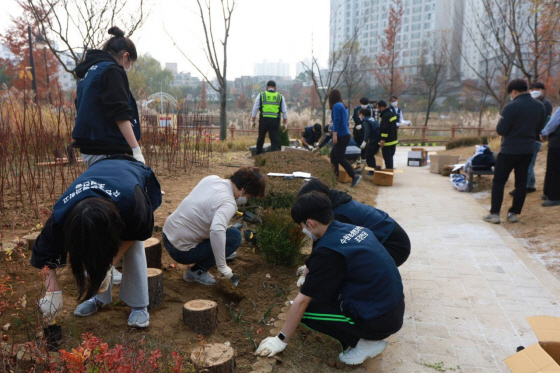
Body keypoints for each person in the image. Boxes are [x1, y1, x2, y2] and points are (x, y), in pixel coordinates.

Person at [255, 192, 404, 365]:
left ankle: (366, 342)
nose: (303, 230)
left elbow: (302, 301)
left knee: (307, 311)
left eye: (302, 225)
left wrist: (281, 339)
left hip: (380, 320)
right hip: (391, 307)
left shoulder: (329, 253)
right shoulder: (350, 228)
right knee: (324, 293)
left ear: (310, 223)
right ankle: (365, 332)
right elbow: (315, 260)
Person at [31, 156, 162, 328]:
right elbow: (43, 253)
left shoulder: (131, 203)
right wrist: (52, 291)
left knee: (134, 247)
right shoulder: (62, 214)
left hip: (129, 172)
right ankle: (96, 296)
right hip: (102, 170)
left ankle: (139, 305)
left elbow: (140, 231)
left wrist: (108, 264)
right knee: (93, 257)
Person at [162, 167, 266, 285]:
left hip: (167, 235)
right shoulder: (229, 203)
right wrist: (222, 267)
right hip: (182, 252)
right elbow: (216, 231)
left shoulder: (212, 179)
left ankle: (219, 251)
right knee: (235, 236)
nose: (247, 199)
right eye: (249, 196)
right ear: (243, 190)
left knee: (227, 230)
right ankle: (196, 272)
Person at [72, 27, 145, 168]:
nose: (129, 67)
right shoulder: (112, 71)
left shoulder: (90, 71)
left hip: (90, 146)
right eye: (131, 63)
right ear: (125, 56)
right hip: (106, 147)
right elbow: (119, 112)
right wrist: (136, 150)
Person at [297, 178, 411, 267]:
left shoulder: (338, 215)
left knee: (349, 267)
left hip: (394, 245)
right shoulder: (334, 200)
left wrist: (313, 267)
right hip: (391, 236)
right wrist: (310, 264)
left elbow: (329, 247)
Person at [483, 79, 546, 224]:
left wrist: (500, 121)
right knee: (521, 182)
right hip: (528, 149)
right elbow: (539, 128)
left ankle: (495, 213)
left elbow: (501, 130)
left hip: (509, 150)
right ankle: (513, 213)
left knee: (499, 181)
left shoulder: (510, 107)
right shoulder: (540, 106)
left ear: (514, 92)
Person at [509, 81, 553, 196]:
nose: (534, 91)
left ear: (543, 91)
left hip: (535, 137)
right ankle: (530, 184)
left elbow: (542, 120)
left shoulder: (545, 104)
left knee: (528, 163)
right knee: (530, 162)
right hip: (530, 136)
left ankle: (523, 187)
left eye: (538, 89)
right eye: (532, 89)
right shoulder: (532, 102)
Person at [329, 89, 361, 187]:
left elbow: (337, 121)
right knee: (333, 156)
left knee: (340, 157)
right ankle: (335, 177)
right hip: (345, 134)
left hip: (341, 135)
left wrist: (334, 135)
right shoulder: (343, 105)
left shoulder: (336, 106)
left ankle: (354, 175)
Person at [251, 81, 288, 155]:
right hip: (275, 121)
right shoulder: (280, 96)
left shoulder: (261, 95)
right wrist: (285, 123)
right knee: (274, 139)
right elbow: (284, 111)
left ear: (266, 87)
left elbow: (255, 108)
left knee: (261, 137)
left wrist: (253, 120)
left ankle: (258, 154)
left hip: (264, 120)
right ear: (275, 88)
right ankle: (274, 156)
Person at [540, 88, 560, 207]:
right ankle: (549, 192)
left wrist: (544, 133)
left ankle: (554, 196)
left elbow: (553, 123)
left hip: (557, 141)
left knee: (554, 169)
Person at [357, 108, 381, 174]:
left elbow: (367, 131)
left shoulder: (365, 121)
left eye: (359, 114)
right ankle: (373, 169)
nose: (359, 116)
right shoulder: (372, 118)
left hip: (374, 140)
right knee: (370, 154)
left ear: (362, 114)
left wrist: (364, 141)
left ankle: (372, 171)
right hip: (378, 138)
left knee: (368, 155)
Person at [378, 100, 399, 170]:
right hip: (393, 140)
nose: (378, 110)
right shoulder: (392, 113)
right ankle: (390, 170)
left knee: (387, 157)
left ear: (381, 107)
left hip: (387, 141)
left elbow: (384, 129)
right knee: (390, 157)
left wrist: (383, 139)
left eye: (378, 108)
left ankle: (388, 172)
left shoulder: (385, 116)